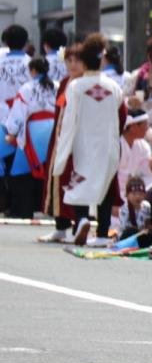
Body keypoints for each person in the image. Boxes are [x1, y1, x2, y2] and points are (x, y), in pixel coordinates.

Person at [50, 33, 123, 246]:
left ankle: (81, 219)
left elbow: (70, 119)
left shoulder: (76, 87)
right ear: (101, 59)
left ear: (84, 61)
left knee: (79, 182)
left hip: (85, 143)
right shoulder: (113, 86)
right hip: (108, 144)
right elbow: (120, 113)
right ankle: (102, 233)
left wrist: (63, 151)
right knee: (106, 186)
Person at [41, 44, 85, 242]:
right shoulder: (65, 82)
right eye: (69, 60)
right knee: (57, 178)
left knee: (75, 180)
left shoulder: (86, 84)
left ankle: (78, 224)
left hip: (80, 139)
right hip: (59, 137)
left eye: (77, 60)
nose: (73, 64)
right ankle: (61, 225)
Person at [4, 57, 58, 217]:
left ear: (33, 71)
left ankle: (22, 210)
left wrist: (12, 133)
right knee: (51, 170)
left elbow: (18, 113)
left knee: (19, 172)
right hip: (54, 128)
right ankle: (48, 209)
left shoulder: (26, 88)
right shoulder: (57, 86)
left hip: (34, 131)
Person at [0, 24, 32, 214]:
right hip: (25, 117)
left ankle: (4, 201)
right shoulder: (31, 62)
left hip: (1, 115)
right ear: (26, 42)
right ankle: (21, 205)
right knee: (21, 164)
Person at [116, 109, 152, 209]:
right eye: (145, 125)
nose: (147, 128)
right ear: (133, 126)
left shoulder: (142, 144)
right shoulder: (116, 144)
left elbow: (149, 171)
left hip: (134, 188)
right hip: (116, 190)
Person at [116, 174, 151, 240]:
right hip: (127, 237)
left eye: (140, 194)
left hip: (141, 235)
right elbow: (125, 228)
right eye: (134, 194)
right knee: (131, 232)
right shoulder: (124, 208)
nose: (137, 197)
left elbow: (147, 223)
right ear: (127, 195)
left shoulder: (147, 206)